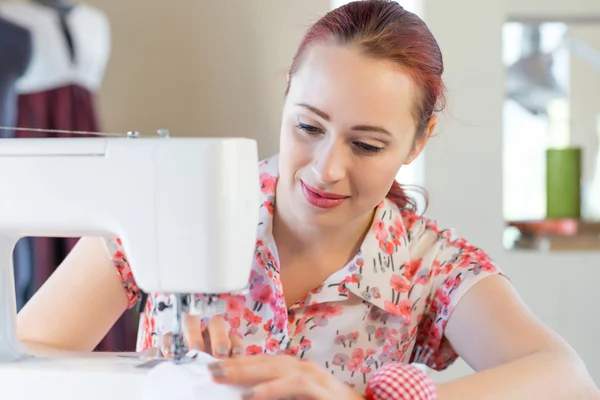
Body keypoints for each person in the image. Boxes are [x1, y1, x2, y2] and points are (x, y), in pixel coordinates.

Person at [16, 1, 598, 399]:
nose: (327, 169)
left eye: (367, 145)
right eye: (309, 127)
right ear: (287, 94)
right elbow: (24, 364)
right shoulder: (171, 207)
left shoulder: (429, 270)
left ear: (419, 141)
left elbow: (568, 380)